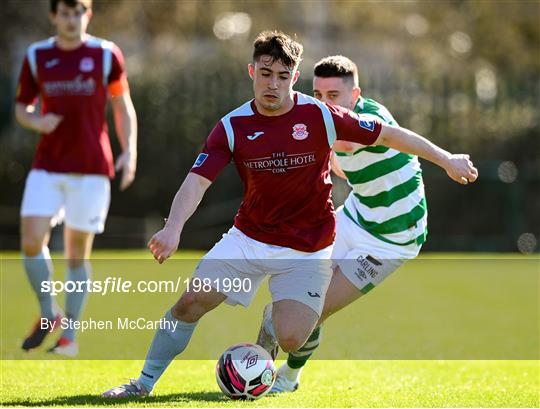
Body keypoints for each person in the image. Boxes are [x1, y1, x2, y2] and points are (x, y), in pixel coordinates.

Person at [102, 31, 476, 398]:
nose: (273, 84)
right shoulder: (232, 126)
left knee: (292, 337)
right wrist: (172, 228)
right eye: (265, 74)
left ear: (294, 78)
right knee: (190, 303)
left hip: (308, 250)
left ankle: (273, 363)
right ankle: (142, 383)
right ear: (252, 72)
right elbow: (197, 181)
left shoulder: (322, 115)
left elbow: (391, 136)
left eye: (283, 76)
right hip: (249, 240)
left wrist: (446, 159)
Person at [260, 55, 478, 393]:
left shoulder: (369, 120)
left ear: (355, 95)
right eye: (318, 95)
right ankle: (255, 368)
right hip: (355, 216)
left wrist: (448, 160)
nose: (324, 103)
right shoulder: (326, 123)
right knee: (286, 299)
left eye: (333, 96)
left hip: (391, 240)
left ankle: (288, 377)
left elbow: (393, 138)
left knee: (313, 309)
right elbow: (338, 160)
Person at [15, 0, 137, 356]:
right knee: (30, 240)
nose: (72, 19)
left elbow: (122, 104)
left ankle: (69, 337)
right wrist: (36, 121)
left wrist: (129, 150)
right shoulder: (37, 56)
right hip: (47, 166)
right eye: (65, 13)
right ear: (54, 16)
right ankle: (46, 312)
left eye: (79, 11)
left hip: (91, 169)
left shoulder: (105, 55)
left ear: (89, 14)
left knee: (75, 254)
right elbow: (22, 106)